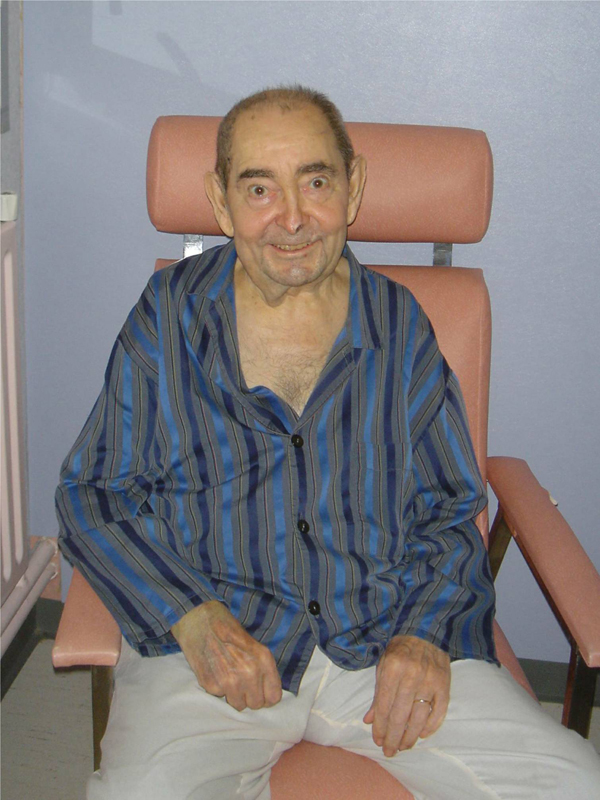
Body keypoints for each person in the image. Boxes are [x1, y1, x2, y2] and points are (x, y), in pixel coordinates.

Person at [56, 86, 600, 800]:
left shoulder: (399, 326)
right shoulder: (168, 319)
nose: (291, 218)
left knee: (572, 784)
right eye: (259, 189)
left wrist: (423, 633)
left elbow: (447, 506)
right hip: (215, 648)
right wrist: (190, 617)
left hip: (383, 633)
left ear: (354, 188)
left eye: (315, 182)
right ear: (220, 202)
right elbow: (96, 492)